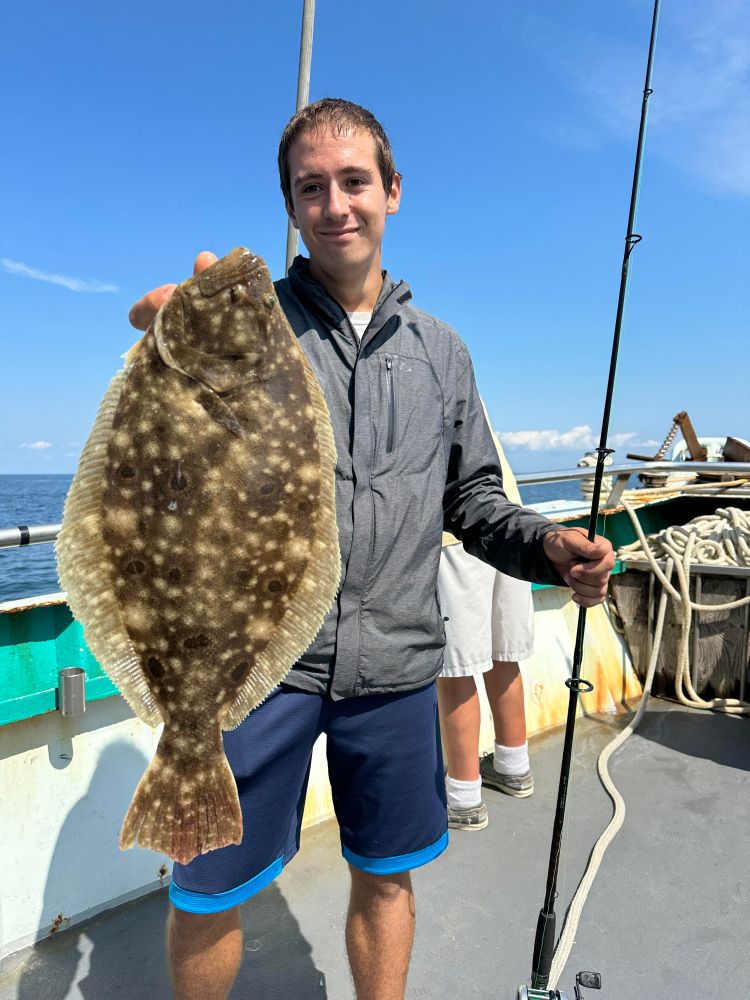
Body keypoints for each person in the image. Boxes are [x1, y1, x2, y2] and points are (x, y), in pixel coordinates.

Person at [128, 98, 615, 1000]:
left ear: (392, 192)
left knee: (385, 874)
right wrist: (167, 324)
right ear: (292, 207)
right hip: (254, 668)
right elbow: (160, 380)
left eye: (355, 181)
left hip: (393, 663)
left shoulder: (443, 354)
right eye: (311, 188)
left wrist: (549, 545)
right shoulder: (251, 326)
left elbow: (472, 501)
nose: (336, 203)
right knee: (207, 888)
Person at [437, 426, 535, 832]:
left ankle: (464, 797)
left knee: (455, 668)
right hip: (507, 523)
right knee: (502, 652)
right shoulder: (464, 382)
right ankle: (514, 767)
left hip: (455, 533)